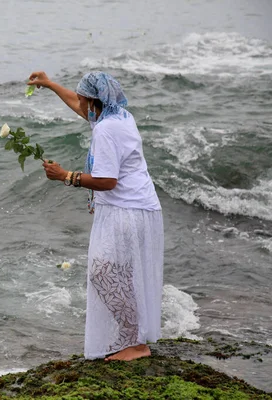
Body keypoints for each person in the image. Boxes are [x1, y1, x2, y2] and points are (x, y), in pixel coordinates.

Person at [27, 71, 164, 361]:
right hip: (142, 206)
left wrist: (66, 176)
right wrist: (50, 84)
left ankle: (136, 344)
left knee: (103, 272)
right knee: (121, 274)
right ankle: (132, 338)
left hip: (125, 209)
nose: (79, 102)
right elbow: (78, 107)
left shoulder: (105, 130)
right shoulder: (120, 116)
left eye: (82, 97)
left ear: (93, 100)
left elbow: (107, 180)